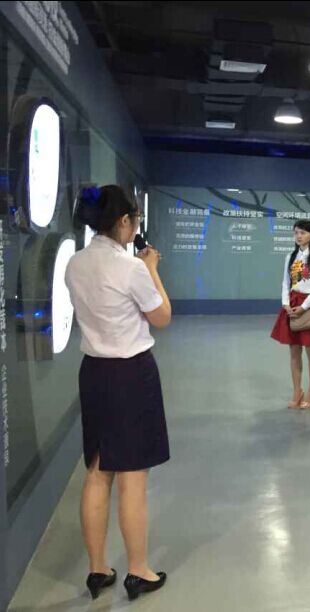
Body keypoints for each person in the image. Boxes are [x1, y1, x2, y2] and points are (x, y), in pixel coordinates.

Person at [65, 185, 171, 601]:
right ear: (124, 220)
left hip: (93, 372)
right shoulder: (131, 268)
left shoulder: (75, 263)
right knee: (133, 476)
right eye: (135, 220)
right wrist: (152, 268)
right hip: (131, 374)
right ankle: (139, 570)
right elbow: (161, 316)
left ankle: (97, 569)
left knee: (97, 470)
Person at [271, 219, 310, 409]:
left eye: (303, 233)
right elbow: (286, 282)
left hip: (309, 305)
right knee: (294, 351)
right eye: (296, 233)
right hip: (292, 304)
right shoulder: (291, 256)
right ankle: (297, 391)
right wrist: (285, 303)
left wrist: (304, 306)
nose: (298, 236)